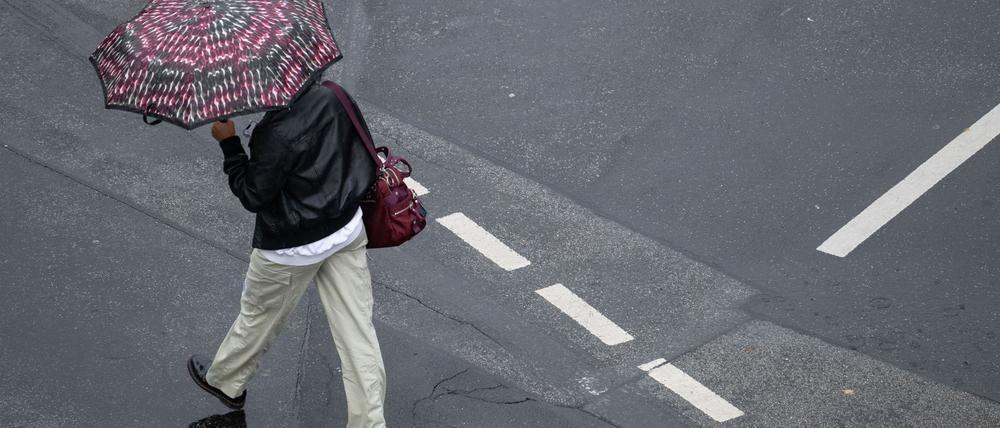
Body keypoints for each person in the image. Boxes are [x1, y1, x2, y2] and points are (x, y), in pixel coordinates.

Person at [186, 81, 387, 428]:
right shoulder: (333, 95)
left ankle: (226, 382)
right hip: (346, 228)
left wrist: (230, 143)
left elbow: (253, 195)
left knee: (259, 316)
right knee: (359, 334)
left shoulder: (274, 133)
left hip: (292, 247)